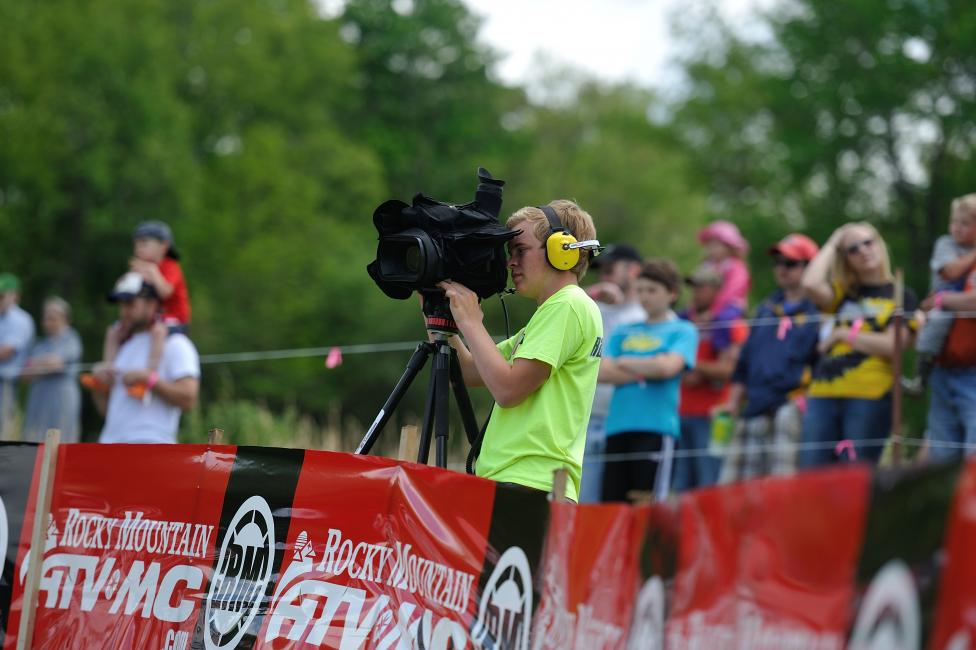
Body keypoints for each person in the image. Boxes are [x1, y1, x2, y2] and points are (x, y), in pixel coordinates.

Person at [438, 200, 603, 502]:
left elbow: (508, 389)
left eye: (521, 250)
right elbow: (467, 373)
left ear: (561, 251)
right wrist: (442, 320)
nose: (510, 262)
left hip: (531, 482)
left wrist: (472, 323)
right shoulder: (549, 315)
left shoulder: (568, 305)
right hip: (519, 481)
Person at [799, 222, 917, 468]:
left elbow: (892, 345)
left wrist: (843, 334)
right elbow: (809, 284)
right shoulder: (843, 293)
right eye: (853, 248)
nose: (863, 250)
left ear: (879, 243)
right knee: (811, 472)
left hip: (869, 394)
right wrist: (834, 240)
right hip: (823, 393)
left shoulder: (901, 293)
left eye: (868, 242)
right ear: (846, 258)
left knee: (855, 475)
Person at [715, 234, 821, 482]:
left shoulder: (818, 310)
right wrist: (732, 401)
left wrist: (804, 403)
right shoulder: (766, 307)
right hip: (753, 408)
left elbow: (821, 365)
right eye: (778, 263)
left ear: (810, 267)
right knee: (736, 490)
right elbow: (745, 361)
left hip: (790, 409)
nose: (782, 269)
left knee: (780, 488)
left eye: (791, 263)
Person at [598, 259, 697, 503]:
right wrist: (649, 367)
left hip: (656, 429)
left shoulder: (683, 330)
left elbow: (668, 368)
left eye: (652, 290)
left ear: (672, 293)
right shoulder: (623, 330)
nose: (644, 296)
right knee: (612, 508)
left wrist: (624, 361)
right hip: (617, 428)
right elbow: (600, 371)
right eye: (640, 290)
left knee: (647, 508)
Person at [92, 272, 200, 444]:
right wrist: (98, 385)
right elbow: (107, 411)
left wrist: (150, 380)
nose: (123, 311)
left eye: (130, 303)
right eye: (121, 304)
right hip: (110, 444)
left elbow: (189, 398)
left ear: (152, 303)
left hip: (151, 445)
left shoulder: (176, 343)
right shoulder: (123, 344)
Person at [579, 244, 647, 503]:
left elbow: (641, 371)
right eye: (601, 271)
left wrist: (594, 368)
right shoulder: (591, 306)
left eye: (611, 269)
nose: (604, 276)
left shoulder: (646, 316)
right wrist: (592, 294)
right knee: (581, 505)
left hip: (627, 427)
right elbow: (556, 312)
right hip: (585, 421)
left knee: (621, 508)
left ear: (634, 270)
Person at [673, 266, 748, 492]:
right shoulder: (683, 320)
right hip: (680, 412)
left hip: (716, 416)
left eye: (702, 286)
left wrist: (692, 367)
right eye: (693, 286)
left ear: (717, 289)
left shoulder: (729, 322)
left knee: (710, 482)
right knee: (680, 484)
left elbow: (731, 369)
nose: (696, 292)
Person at [101, 220, 191, 398]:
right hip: (156, 317)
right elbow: (129, 288)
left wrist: (151, 272)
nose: (138, 249)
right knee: (114, 331)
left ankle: (148, 377)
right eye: (136, 244)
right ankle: (107, 374)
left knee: (158, 332)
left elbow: (165, 292)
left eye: (144, 243)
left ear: (164, 246)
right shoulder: (144, 267)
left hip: (175, 317)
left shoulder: (169, 266)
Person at [903, 194, 976, 395]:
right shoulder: (946, 244)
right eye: (954, 222)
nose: (957, 227)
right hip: (942, 301)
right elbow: (951, 272)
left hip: (964, 313)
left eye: (965, 223)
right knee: (937, 323)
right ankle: (920, 376)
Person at [21, 297, 83, 442]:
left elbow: (56, 364)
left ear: (65, 319)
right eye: (46, 318)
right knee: (34, 443)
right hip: (39, 404)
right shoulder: (40, 344)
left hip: (61, 403)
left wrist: (37, 365)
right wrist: (44, 364)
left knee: (61, 445)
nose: (48, 322)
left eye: (52, 318)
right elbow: (25, 373)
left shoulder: (71, 339)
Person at [0, 273, 35, 440]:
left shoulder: (21, 319)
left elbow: (6, 352)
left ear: (14, 295)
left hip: (8, 384)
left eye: (1, 295)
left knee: (5, 432)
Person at [697, 220, 751, 317]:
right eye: (709, 244)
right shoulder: (707, 265)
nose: (711, 248)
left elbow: (731, 291)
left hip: (731, 306)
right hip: (706, 305)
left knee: (723, 320)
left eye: (716, 245)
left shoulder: (736, 267)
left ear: (729, 247)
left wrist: (713, 311)